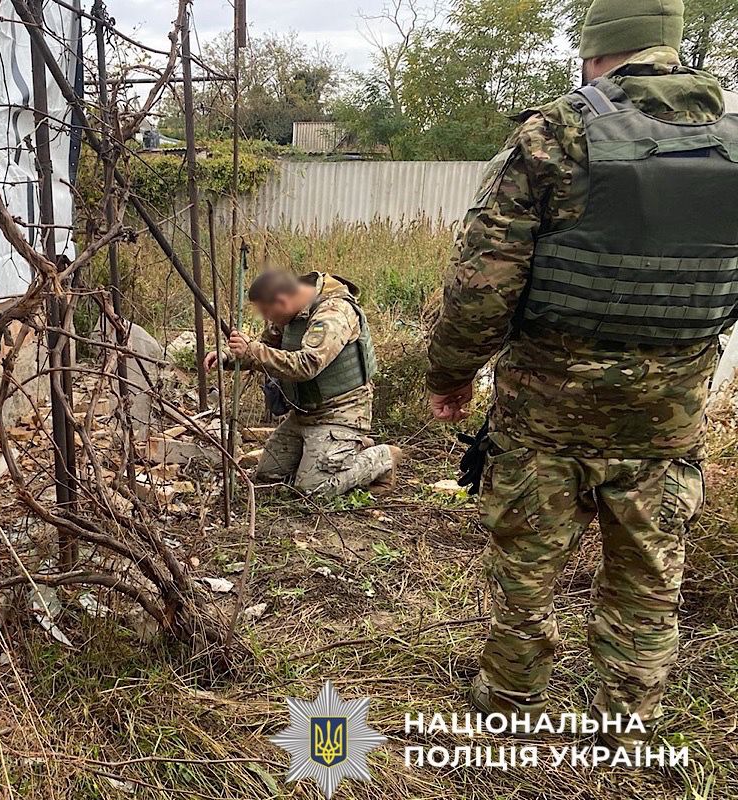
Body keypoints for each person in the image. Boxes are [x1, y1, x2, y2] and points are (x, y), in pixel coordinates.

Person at [426, 0, 738, 750]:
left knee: (526, 567)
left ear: (597, 48)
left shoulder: (554, 135)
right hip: (666, 417)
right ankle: (625, 719)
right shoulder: (733, 144)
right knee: (649, 574)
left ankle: (511, 697)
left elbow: (482, 286)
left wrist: (450, 375)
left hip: (546, 414)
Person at [207, 270, 403, 497]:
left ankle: (383, 457)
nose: (267, 319)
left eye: (267, 312)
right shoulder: (290, 312)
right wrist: (228, 357)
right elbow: (266, 347)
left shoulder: (334, 312)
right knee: (269, 475)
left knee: (313, 489)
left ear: (282, 300)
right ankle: (342, 451)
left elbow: (307, 365)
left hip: (340, 412)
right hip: (304, 413)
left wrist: (251, 351)